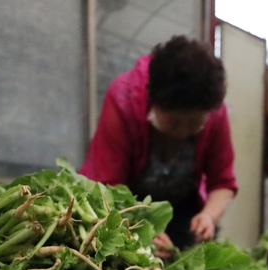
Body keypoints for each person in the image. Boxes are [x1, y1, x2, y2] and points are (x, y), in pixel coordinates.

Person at [80, 36, 236, 255]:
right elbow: (106, 186)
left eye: (194, 124)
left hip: (183, 214)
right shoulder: (123, 99)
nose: (182, 132)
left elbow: (222, 181)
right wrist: (136, 230)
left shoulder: (215, 113)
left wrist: (208, 216)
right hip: (123, 209)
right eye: (174, 123)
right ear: (153, 101)